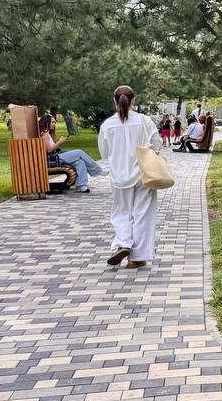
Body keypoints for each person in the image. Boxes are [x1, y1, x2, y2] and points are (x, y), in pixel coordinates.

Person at [98, 86, 162, 269]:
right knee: (143, 213)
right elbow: (157, 144)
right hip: (144, 172)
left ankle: (124, 242)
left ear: (114, 101)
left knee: (121, 212)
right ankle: (136, 258)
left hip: (119, 176)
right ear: (134, 100)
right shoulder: (144, 121)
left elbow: (103, 153)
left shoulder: (107, 125)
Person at [39, 113, 105, 193]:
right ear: (47, 123)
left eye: (55, 122)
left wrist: (59, 142)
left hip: (57, 156)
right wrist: (59, 142)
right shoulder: (44, 135)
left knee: (80, 162)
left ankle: (81, 186)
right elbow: (49, 150)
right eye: (52, 122)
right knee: (79, 152)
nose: (54, 124)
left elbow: (51, 148)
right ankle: (97, 170)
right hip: (54, 158)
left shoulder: (48, 134)